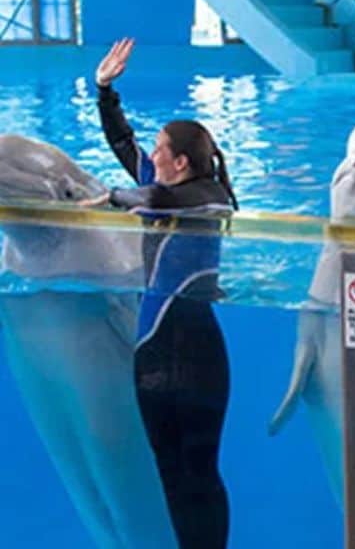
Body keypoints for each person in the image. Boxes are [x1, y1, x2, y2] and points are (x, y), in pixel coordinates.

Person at [82, 39, 238, 549]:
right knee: (168, 468)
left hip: (196, 353)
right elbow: (123, 145)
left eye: (160, 149)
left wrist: (111, 198)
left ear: (182, 163)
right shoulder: (163, 185)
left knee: (200, 466)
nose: (150, 154)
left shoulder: (208, 195)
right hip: (151, 351)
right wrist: (105, 90)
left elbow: (151, 198)